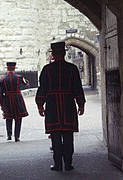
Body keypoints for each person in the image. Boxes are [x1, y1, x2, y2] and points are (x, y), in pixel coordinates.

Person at [35, 42, 86, 171]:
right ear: (64, 54)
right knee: (68, 136)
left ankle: (58, 165)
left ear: (53, 54)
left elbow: (43, 88)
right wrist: (81, 104)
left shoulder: (47, 70)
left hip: (53, 106)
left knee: (55, 136)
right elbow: (77, 88)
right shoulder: (72, 68)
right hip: (68, 104)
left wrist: (40, 104)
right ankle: (68, 164)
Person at [0, 62, 29, 142]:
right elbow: (26, 84)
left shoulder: (3, 79)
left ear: (7, 68)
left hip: (7, 99)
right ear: (14, 68)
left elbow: (0, 91)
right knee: (18, 117)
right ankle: (17, 136)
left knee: (8, 117)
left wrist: (0, 101)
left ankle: (9, 135)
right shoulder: (19, 77)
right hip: (17, 98)